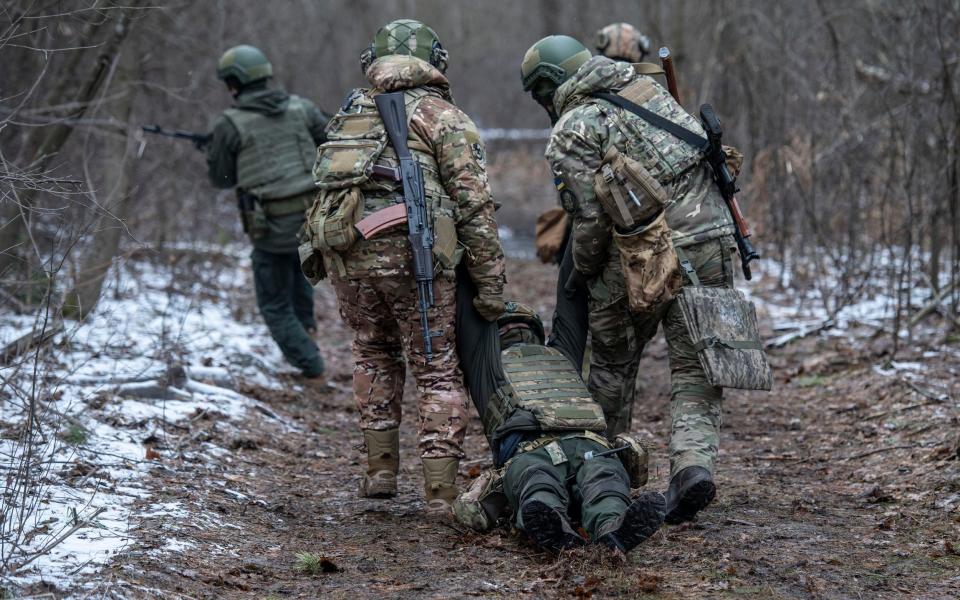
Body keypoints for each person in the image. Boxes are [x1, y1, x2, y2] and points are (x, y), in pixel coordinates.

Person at [520, 36, 744, 523]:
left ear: (550, 86)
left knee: (612, 369)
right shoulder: (649, 90)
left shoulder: (573, 129)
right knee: (698, 367)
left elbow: (590, 221)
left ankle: (606, 476)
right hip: (710, 241)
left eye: (540, 96)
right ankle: (692, 466)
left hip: (638, 257)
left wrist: (579, 272)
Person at [305, 20, 505, 516]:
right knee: (436, 369)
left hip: (349, 257)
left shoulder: (350, 114)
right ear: (434, 61)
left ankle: (379, 472)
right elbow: (474, 205)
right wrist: (490, 284)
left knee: (373, 355)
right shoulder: (443, 116)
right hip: (413, 259)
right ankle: (439, 491)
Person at [452, 247, 665, 554]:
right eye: (506, 326)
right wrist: (466, 250)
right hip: (529, 451)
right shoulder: (487, 367)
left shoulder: (561, 356)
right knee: (538, 484)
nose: (513, 329)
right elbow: (471, 318)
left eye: (520, 325)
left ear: (537, 334)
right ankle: (556, 532)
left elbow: (571, 298)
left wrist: (577, 231)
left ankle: (613, 530)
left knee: (603, 478)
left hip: (587, 442)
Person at [206, 44, 326, 379]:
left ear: (234, 83)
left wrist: (216, 150)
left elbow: (221, 179)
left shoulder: (230, 124)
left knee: (273, 303)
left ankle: (310, 362)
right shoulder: (302, 108)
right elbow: (330, 146)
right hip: (313, 221)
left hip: (271, 228)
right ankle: (307, 337)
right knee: (300, 268)